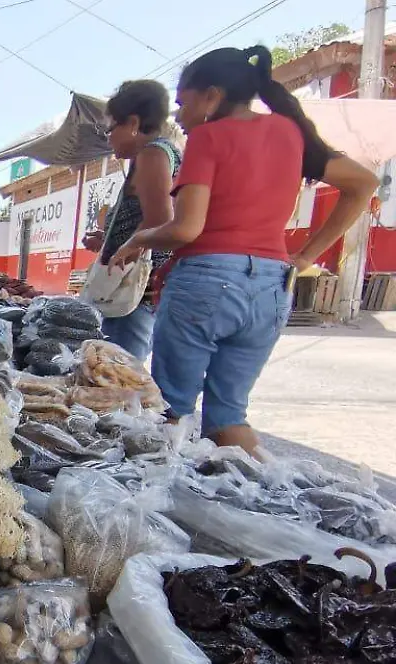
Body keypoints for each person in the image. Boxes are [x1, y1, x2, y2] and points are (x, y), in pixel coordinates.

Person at [110, 46, 378, 455]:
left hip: (206, 283)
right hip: (272, 288)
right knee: (229, 417)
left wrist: (138, 239)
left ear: (213, 96)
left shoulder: (209, 136)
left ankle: (155, 511)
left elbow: (186, 228)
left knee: (168, 411)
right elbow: (362, 184)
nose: (178, 116)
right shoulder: (290, 131)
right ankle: (263, 500)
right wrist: (305, 256)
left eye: (184, 103)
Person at [83, 79, 182, 360]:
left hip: (133, 295)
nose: (108, 137)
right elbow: (150, 217)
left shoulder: (153, 154)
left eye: (110, 128)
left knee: (119, 378)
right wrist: (109, 241)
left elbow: (161, 219)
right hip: (139, 292)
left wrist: (130, 245)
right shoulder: (162, 153)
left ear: (134, 123)